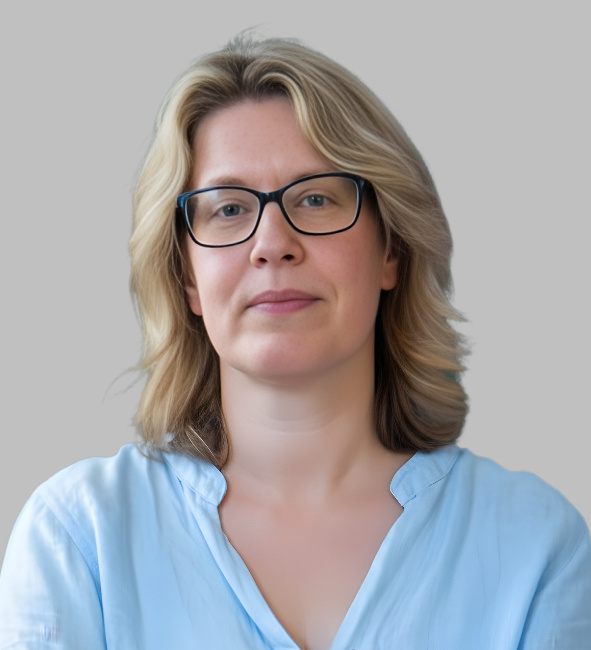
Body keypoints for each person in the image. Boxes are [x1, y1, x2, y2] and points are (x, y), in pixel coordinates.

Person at [0, 36, 589, 650]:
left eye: (315, 199)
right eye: (229, 209)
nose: (272, 244)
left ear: (391, 250)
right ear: (187, 277)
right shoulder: (79, 537)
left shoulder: (536, 545)